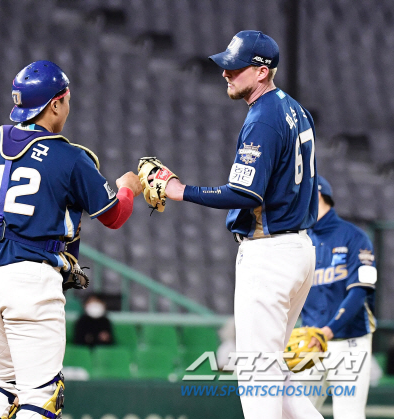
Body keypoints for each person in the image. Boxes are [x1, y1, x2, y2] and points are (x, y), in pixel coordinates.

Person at [0, 60, 142, 419]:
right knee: (41, 395)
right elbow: (114, 216)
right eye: (66, 99)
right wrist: (128, 189)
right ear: (55, 103)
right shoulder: (69, 155)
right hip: (30, 278)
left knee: (2, 385)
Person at [145, 31, 320, 419]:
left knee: (257, 373)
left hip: (269, 252)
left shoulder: (263, 118)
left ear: (261, 71)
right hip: (299, 248)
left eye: (235, 67)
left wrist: (180, 190)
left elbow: (245, 194)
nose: (226, 73)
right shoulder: (295, 109)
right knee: (273, 368)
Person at [299, 176, 377, 418]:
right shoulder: (300, 241)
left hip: (349, 342)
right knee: (295, 413)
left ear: (318, 195)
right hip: (310, 342)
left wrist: (329, 330)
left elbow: (360, 291)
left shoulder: (355, 237)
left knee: (349, 415)